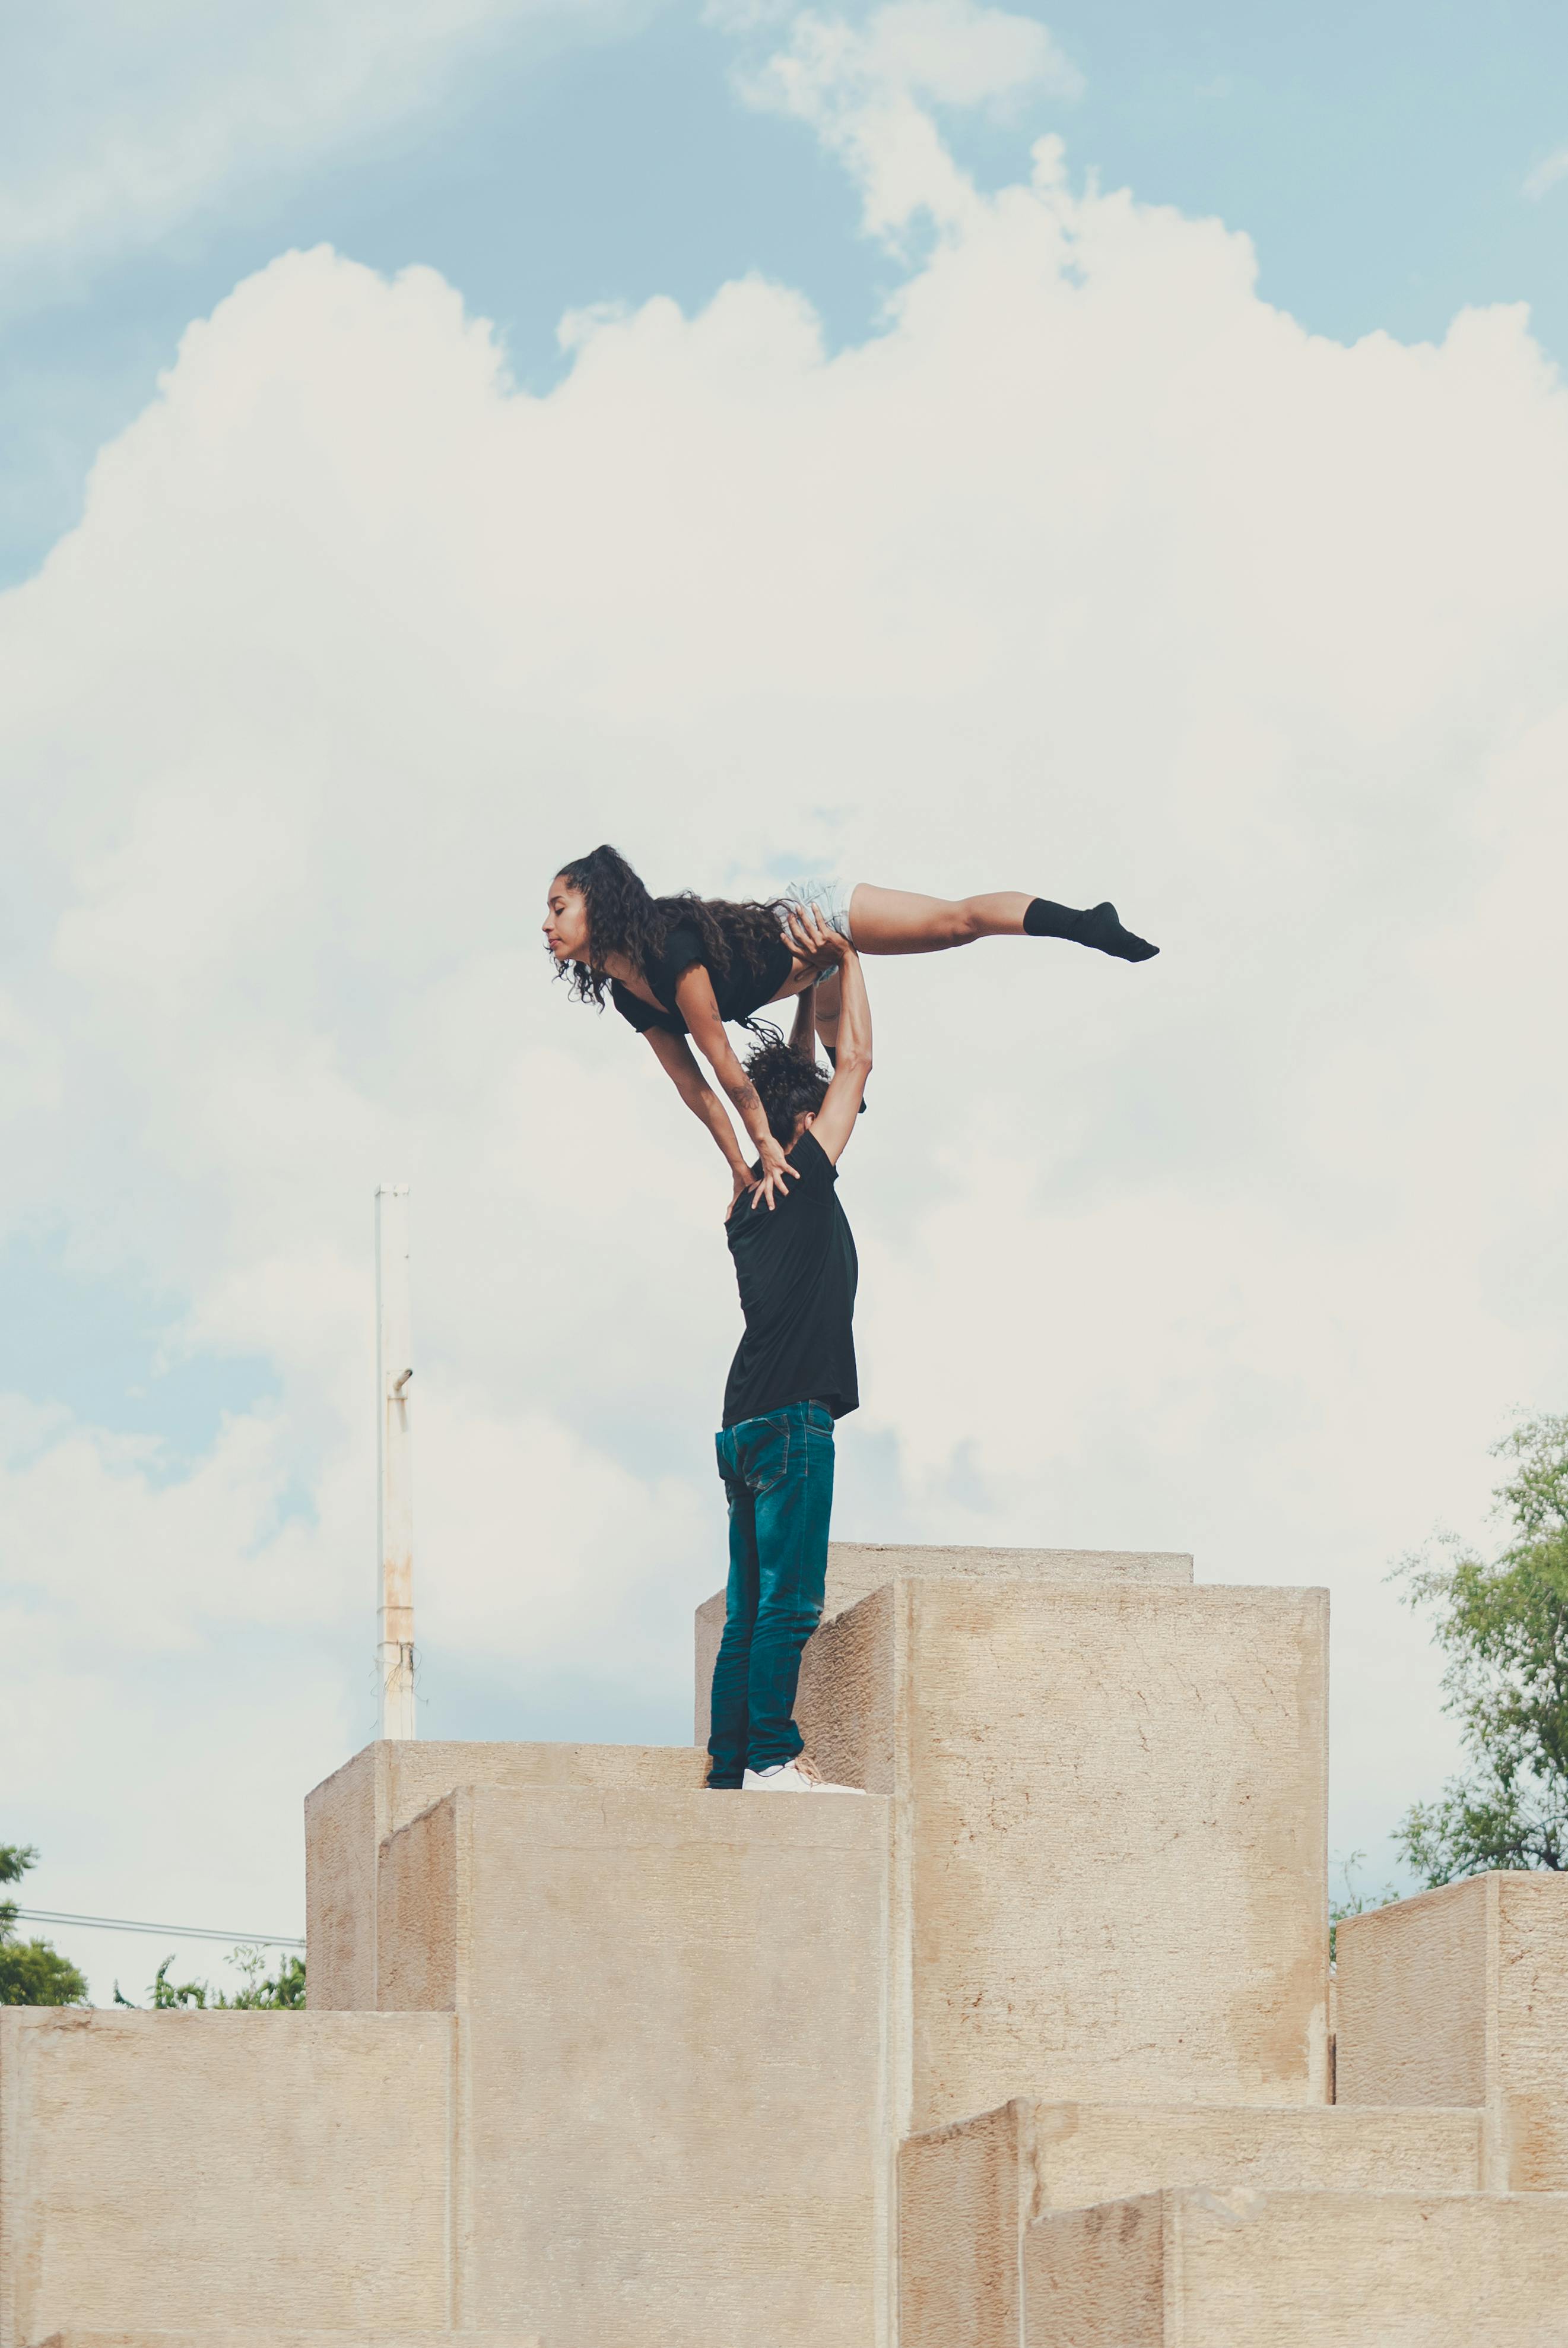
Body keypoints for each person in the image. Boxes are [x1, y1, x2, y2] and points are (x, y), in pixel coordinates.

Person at [542, 844, 1156, 1209]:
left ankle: (1084, 923)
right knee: (840, 1094)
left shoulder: (671, 955)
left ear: (600, 905)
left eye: (558, 907)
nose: (547, 924)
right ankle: (835, 1087)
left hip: (812, 920)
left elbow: (724, 1066)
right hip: (812, 979)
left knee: (954, 924)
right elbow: (693, 1090)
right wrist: (736, 1166)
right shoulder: (630, 993)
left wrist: (764, 1151)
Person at [706, 905, 873, 1794]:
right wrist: (847, 958)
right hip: (791, 1421)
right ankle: (771, 1751)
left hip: (741, 1424)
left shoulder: (749, 1193)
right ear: (803, 1126)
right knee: (790, 1603)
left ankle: (728, 1765)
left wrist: (809, 991)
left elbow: (810, 1074)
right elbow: (855, 1063)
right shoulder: (803, 1177)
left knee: (745, 1613)